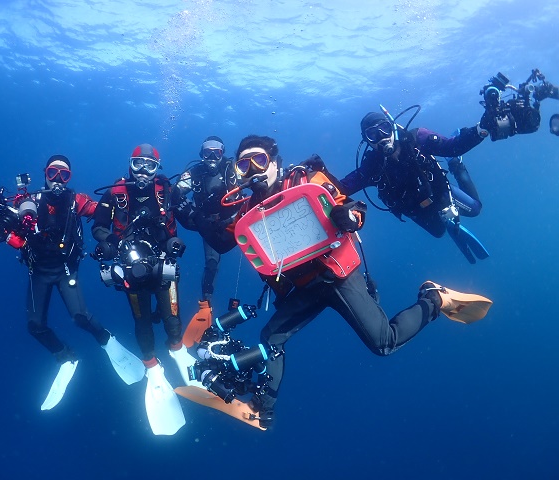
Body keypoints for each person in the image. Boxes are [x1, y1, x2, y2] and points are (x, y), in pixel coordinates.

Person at [191, 134, 492, 429]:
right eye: (244, 165)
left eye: (259, 160)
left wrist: (347, 215)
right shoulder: (247, 211)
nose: (253, 170)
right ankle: (262, 408)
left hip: (336, 275)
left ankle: (435, 298)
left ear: (275, 162)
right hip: (304, 287)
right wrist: (190, 214)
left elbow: (351, 207)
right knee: (271, 338)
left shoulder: (305, 180)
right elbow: (222, 241)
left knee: (384, 343)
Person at [0, 154, 145, 411]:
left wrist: (124, 204)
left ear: (69, 178)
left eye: (64, 175)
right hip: (38, 272)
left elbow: (103, 211)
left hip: (65, 270)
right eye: (53, 173)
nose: (58, 180)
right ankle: (65, 356)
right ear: (45, 173)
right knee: (35, 326)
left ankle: (107, 341)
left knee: (80, 317)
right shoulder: (28, 202)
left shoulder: (76, 201)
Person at [91, 143, 197, 435]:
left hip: (162, 262)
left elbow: (190, 219)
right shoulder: (116, 193)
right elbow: (98, 226)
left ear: (157, 169)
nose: (142, 171)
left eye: (149, 166)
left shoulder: (167, 191)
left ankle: (176, 349)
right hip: (130, 266)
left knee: (172, 319)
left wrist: (202, 223)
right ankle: (151, 365)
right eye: (137, 163)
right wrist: (114, 243)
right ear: (129, 164)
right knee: (142, 321)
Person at [340, 109, 489, 263]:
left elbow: (452, 146)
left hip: (439, 193)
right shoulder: (371, 167)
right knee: (439, 233)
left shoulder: (417, 139)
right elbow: (342, 187)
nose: (382, 137)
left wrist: (481, 130)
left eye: (384, 128)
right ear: (367, 140)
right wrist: (323, 178)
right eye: (373, 134)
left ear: (392, 126)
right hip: (416, 210)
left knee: (475, 209)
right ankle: (446, 221)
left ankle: (456, 165)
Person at [173, 135, 242, 346]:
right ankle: (205, 307)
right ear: (201, 154)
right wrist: (192, 215)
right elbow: (176, 192)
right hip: (206, 224)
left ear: (223, 153)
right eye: (207, 153)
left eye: (217, 153)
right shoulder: (194, 173)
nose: (212, 157)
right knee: (212, 264)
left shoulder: (232, 169)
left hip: (233, 221)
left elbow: (251, 180)